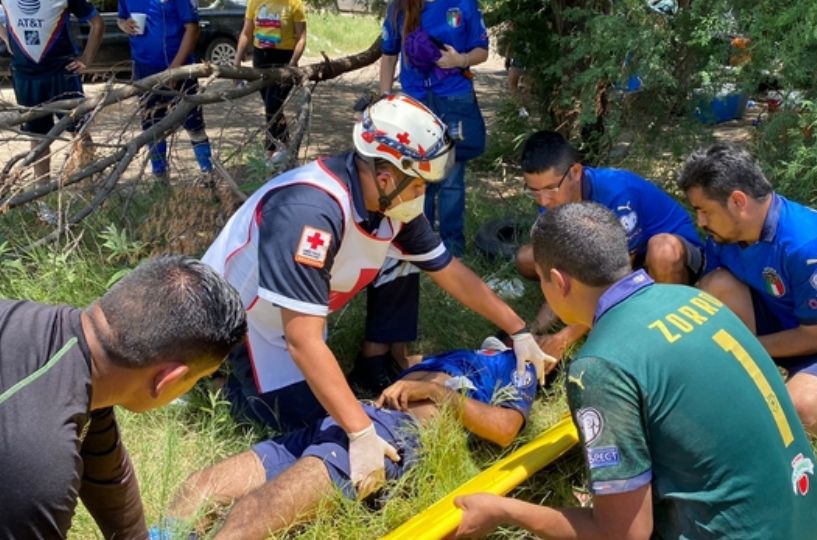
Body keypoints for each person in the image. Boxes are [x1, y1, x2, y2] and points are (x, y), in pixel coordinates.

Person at [201, 94, 555, 498]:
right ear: (386, 177)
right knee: (318, 430)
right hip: (241, 328)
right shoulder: (309, 213)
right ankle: (219, 380)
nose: (423, 195)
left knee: (400, 263)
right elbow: (302, 341)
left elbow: (449, 270)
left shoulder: (390, 204)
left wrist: (519, 330)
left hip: (291, 315)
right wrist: (361, 430)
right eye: (419, 184)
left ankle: (371, 366)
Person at [453, 202, 817, 539]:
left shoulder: (598, 367)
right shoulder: (694, 298)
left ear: (560, 281)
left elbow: (622, 535)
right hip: (807, 520)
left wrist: (504, 510)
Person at [156, 337, 536, 539]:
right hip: (349, 418)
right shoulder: (456, 354)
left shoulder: (514, 363)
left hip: (394, 432)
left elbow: (504, 430)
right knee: (199, 487)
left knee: (256, 514)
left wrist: (439, 394)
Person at [0, 256, 246, 539]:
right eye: (197, 379)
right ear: (168, 379)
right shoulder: (36, 466)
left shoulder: (64, 347)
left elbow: (108, 474)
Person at [677, 143, 817, 439]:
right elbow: (707, 295)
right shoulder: (725, 233)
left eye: (704, 210)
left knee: (801, 410)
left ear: (738, 201)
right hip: (779, 322)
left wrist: (740, 350)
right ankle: (763, 380)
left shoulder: (809, 244)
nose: (700, 221)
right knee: (716, 285)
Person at [515, 130, 704, 357]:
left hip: (673, 257)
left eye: (550, 189)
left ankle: (664, 331)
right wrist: (533, 329)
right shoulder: (553, 197)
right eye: (534, 191)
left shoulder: (616, 194)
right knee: (529, 258)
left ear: (575, 172)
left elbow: (615, 279)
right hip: (626, 257)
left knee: (662, 251)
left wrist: (564, 338)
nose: (544, 201)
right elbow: (558, 263)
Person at [378, 0, 489, 256]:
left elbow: (481, 50)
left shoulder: (463, 4)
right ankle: (421, 244)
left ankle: (452, 247)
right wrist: (384, 98)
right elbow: (389, 54)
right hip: (415, 102)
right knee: (419, 174)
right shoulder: (399, 7)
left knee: (452, 177)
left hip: (454, 99)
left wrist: (460, 59)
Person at [1, 0, 104, 180]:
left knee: (79, 130)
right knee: (37, 136)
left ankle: (89, 186)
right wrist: (6, 38)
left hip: (62, 72)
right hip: (26, 76)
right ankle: (42, 197)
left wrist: (87, 58)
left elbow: (96, 22)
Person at [117, 0, 214, 178]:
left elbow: (192, 29)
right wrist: (124, 25)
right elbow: (121, 18)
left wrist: (174, 70)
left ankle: (208, 176)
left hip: (181, 70)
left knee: (194, 125)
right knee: (152, 128)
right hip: (144, 70)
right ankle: (160, 179)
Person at [233, 0, 307, 163]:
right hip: (261, 60)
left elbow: (301, 37)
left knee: (272, 105)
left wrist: (292, 64)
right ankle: (285, 148)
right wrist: (236, 64)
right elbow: (246, 33)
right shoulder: (254, 2)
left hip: (284, 60)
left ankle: (271, 151)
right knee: (272, 107)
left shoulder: (295, 3)